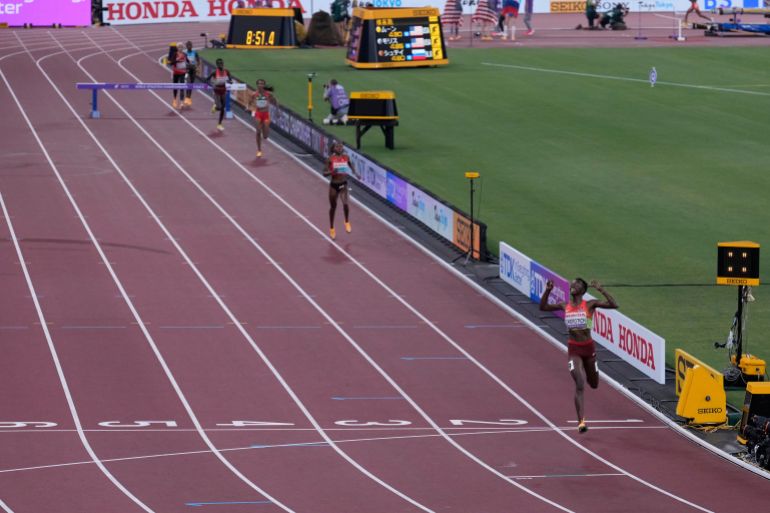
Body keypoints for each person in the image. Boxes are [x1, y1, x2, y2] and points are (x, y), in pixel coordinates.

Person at [539, 278, 618, 433]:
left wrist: (601, 289)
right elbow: (543, 307)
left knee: (593, 384)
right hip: (574, 350)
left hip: (589, 349)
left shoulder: (590, 305)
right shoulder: (564, 305)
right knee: (580, 383)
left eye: (577, 284)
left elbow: (614, 305)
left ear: (583, 290)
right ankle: (581, 422)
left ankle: (592, 372)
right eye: (572, 283)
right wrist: (548, 290)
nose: (573, 285)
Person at [323, 141, 359, 239]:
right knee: (333, 207)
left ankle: (346, 221)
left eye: (341, 147)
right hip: (333, 185)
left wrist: (355, 173)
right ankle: (332, 228)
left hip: (343, 185)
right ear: (334, 148)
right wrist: (331, 172)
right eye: (337, 147)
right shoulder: (330, 159)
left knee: (345, 203)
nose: (339, 148)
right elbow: (324, 173)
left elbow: (351, 165)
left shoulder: (346, 157)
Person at [248, 79, 278, 158]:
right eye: (259, 84)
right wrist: (248, 107)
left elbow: (275, 101)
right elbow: (250, 101)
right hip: (258, 114)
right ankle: (259, 150)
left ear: (264, 85)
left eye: (262, 84)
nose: (260, 85)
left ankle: (265, 130)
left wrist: (277, 111)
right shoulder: (254, 94)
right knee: (258, 131)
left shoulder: (268, 94)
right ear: (257, 85)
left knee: (265, 136)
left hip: (266, 114)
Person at [204, 58, 232, 131]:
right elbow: (206, 80)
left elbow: (230, 79)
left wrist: (230, 81)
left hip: (223, 90)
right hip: (216, 90)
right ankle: (215, 107)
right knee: (219, 108)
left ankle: (219, 124)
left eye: (221, 63)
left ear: (223, 63)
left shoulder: (227, 71)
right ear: (217, 65)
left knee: (223, 108)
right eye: (218, 63)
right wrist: (211, 84)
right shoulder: (214, 72)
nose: (220, 65)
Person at [169, 42, 189, 109]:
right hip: (175, 73)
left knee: (182, 87)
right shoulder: (175, 54)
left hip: (182, 73)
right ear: (177, 48)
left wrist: (188, 66)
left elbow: (188, 62)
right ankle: (174, 99)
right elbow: (171, 63)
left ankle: (181, 102)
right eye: (179, 47)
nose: (180, 48)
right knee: (175, 87)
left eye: (181, 47)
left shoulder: (185, 54)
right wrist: (177, 60)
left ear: (183, 48)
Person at [183, 41, 200, 107]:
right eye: (188, 45)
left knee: (191, 85)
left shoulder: (195, 52)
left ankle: (189, 97)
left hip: (193, 69)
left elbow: (198, 60)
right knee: (188, 83)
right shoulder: (185, 53)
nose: (189, 46)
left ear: (192, 46)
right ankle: (187, 97)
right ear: (186, 46)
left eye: (190, 45)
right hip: (187, 70)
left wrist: (197, 66)